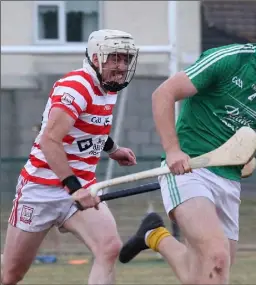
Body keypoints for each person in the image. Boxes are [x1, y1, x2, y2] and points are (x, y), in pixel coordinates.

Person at [119, 8, 256, 284]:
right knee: (216, 257)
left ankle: (154, 234)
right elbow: (164, 94)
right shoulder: (229, 60)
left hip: (228, 182)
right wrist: (172, 150)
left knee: (206, 274)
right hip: (188, 171)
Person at [1, 29, 139, 285]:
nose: (121, 67)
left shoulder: (108, 88)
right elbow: (49, 140)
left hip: (81, 186)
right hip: (41, 189)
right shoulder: (75, 87)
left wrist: (113, 149)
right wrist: (73, 187)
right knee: (10, 275)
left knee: (109, 248)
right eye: (115, 58)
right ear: (97, 58)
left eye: (126, 59)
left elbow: (90, 126)